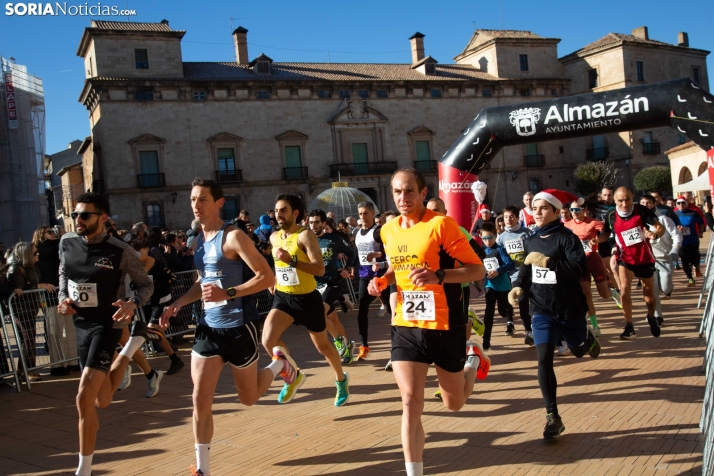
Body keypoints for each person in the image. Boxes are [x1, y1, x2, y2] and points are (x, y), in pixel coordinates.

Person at [159, 179, 290, 476]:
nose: (196, 204)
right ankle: (202, 469)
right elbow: (200, 283)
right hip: (208, 329)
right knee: (199, 399)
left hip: (238, 327)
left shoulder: (233, 237)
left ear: (219, 203)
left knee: (248, 398)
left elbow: (266, 277)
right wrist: (177, 304)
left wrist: (228, 294)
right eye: (193, 199)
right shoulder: (198, 242)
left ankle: (279, 365)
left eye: (202, 199)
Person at [368, 168, 488, 476]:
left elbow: (477, 270)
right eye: (397, 192)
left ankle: (472, 361)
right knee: (410, 401)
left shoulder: (441, 226)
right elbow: (398, 268)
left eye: (409, 191)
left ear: (423, 193)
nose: (403, 198)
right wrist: (382, 280)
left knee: (454, 403)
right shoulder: (388, 230)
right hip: (407, 326)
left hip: (444, 325)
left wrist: (440, 276)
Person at [56, 193, 161, 476]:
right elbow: (64, 273)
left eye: (85, 215)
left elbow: (144, 285)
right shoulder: (67, 242)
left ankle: (84, 470)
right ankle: (128, 352)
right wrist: (63, 298)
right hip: (81, 325)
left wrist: (133, 303)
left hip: (108, 324)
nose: (78, 219)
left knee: (82, 398)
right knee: (101, 400)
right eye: (76, 214)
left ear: (102, 218)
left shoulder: (120, 250)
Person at [509, 189, 601, 440]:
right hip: (542, 309)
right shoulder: (529, 239)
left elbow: (579, 268)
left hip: (569, 307)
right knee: (544, 359)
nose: (537, 212)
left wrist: (549, 262)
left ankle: (587, 338)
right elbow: (527, 267)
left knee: (579, 350)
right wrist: (519, 286)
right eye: (534, 208)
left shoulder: (566, 238)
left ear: (556, 211)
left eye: (543, 208)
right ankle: (553, 416)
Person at [262, 194, 350, 406]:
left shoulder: (305, 236)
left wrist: (291, 260)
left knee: (323, 347)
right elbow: (277, 261)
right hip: (283, 297)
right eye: (276, 210)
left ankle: (341, 380)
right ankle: (292, 376)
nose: (278, 215)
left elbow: (318, 268)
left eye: (283, 210)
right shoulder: (274, 237)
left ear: (295, 213)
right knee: (268, 341)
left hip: (307, 299)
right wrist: (273, 279)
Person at [598, 187, 664, 339]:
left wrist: (654, 233)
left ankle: (651, 316)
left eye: (627, 199)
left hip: (644, 258)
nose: (624, 203)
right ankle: (629, 327)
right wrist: (598, 239)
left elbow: (661, 228)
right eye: (620, 200)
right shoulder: (611, 215)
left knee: (649, 298)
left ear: (632, 197)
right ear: (615, 201)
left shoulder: (641, 210)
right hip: (625, 258)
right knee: (625, 289)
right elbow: (606, 233)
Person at [308, 209, 357, 364]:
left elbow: (352, 253)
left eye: (316, 222)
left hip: (332, 282)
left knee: (319, 314)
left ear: (323, 223)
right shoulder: (306, 240)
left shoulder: (333, 238)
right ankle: (347, 347)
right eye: (310, 222)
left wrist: (347, 268)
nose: (313, 226)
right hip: (314, 285)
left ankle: (338, 341)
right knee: (333, 320)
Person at [6, 242, 58, 381]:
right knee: (27, 338)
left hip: (32, 307)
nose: (38, 254)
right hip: (20, 309)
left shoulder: (33, 266)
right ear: (27, 254)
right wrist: (38, 286)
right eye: (35, 253)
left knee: (29, 339)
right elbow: (18, 290)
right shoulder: (15, 269)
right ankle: (27, 370)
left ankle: (24, 369)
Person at [33, 225, 80, 376]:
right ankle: (58, 364)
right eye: (49, 232)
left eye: (53, 232)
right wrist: (62, 237)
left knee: (70, 329)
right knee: (55, 331)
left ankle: (72, 361)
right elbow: (51, 251)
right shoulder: (41, 249)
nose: (52, 234)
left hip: (64, 291)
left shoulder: (58, 246)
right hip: (50, 294)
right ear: (41, 234)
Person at [564, 198, 613, 337]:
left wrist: (597, 240)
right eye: (572, 210)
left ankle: (612, 292)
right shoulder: (567, 225)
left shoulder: (593, 222)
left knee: (604, 294)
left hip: (593, 259)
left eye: (577, 210)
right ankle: (595, 326)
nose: (574, 212)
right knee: (586, 295)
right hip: (579, 263)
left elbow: (606, 233)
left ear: (584, 210)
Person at [354, 201, 391, 359]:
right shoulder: (357, 232)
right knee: (362, 309)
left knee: (391, 309)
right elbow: (359, 254)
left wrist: (376, 256)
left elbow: (388, 252)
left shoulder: (378, 231)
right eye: (360, 214)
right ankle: (364, 345)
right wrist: (353, 268)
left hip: (382, 275)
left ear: (372, 214)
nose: (363, 217)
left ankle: (402, 342)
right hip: (365, 274)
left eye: (366, 213)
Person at [639, 195, 681, 321]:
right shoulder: (638, 222)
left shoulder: (663, 219)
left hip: (665, 258)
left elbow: (677, 235)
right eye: (643, 203)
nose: (646, 205)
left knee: (665, 286)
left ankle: (668, 290)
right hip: (648, 260)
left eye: (648, 203)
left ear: (654, 204)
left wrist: (675, 249)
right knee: (653, 291)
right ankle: (657, 316)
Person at [496, 206, 534, 344]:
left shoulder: (527, 233)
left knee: (535, 302)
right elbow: (497, 256)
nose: (508, 220)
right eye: (506, 217)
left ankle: (537, 329)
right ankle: (529, 332)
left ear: (518, 218)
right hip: (514, 276)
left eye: (511, 216)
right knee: (522, 302)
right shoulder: (501, 238)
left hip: (531, 273)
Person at [479, 222, 514, 350]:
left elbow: (510, 264)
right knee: (489, 310)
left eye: (490, 238)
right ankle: (486, 339)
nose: (487, 241)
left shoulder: (499, 249)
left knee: (503, 310)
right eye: (484, 238)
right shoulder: (481, 251)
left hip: (503, 286)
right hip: (490, 285)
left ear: (495, 236)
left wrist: (498, 271)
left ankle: (509, 318)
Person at [594, 186, 621, 307]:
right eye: (605, 195)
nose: (607, 197)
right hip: (601, 240)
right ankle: (616, 291)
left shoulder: (617, 207)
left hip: (614, 239)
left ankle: (621, 291)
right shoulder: (595, 208)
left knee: (614, 265)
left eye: (609, 195)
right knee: (609, 269)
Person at [675, 196, 705, 286]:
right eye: (679, 203)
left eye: (683, 203)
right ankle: (691, 279)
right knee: (684, 260)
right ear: (676, 204)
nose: (681, 205)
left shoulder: (693, 213)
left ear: (686, 204)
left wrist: (700, 232)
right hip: (681, 241)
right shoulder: (674, 214)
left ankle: (696, 266)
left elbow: (701, 222)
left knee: (694, 258)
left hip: (693, 240)